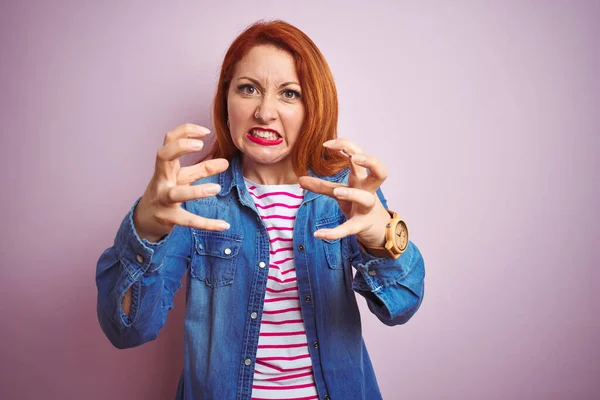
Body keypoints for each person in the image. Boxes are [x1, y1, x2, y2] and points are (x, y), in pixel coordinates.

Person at [96, 19, 425, 400]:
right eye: (248, 89)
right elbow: (127, 329)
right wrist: (145, 231)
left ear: (313, 106)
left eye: (289, 94)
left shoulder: (346, 192)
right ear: (226, 99)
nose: (265, 112)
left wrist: (380, 239)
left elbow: (401, 305)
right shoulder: (194, 197)